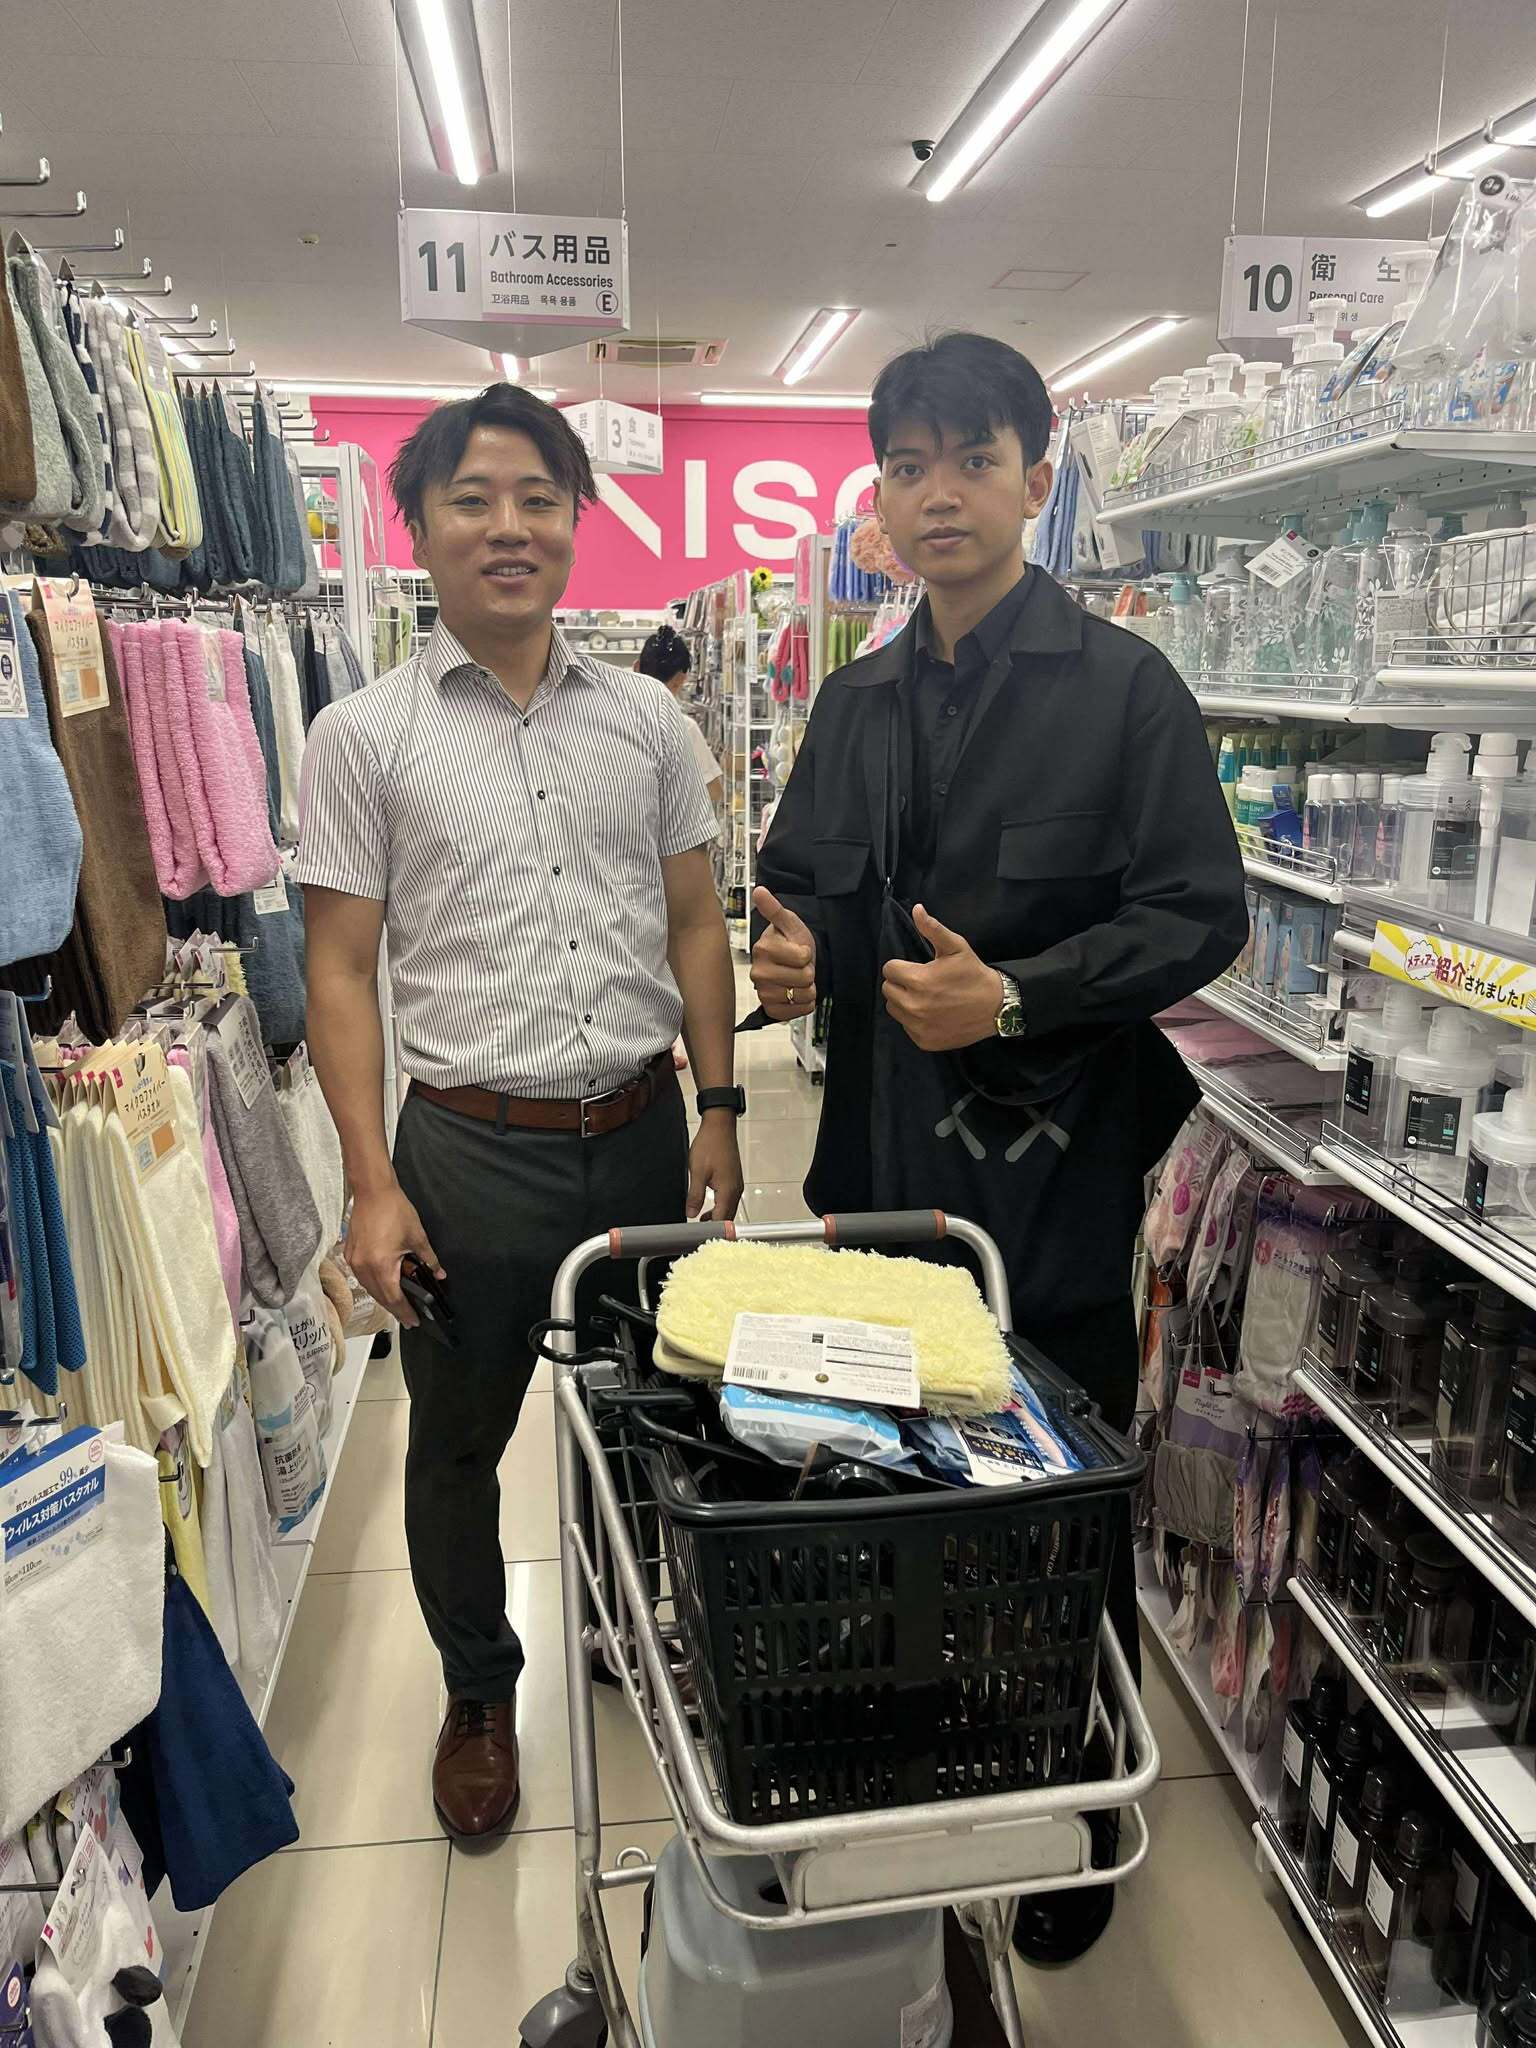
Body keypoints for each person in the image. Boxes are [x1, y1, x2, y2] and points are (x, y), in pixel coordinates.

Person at [750, 330, 1247, 1961]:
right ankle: (927, 1751)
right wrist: (791, 957)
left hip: (1053, 1179)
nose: (939, 494)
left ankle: (1084, 1806)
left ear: (1037, 480)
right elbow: (806, 893)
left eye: (973, 460)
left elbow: (1200, 912)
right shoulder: (855, 703)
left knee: (1062, 1494)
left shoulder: (1124, 693)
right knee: (898, 1473)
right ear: (879, 498)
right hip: (881, 1173)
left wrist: (1019, 993)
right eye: (908, 466)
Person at [295, 383, 745, 1840]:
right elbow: (339, 969)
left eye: (539, 497)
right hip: (468, 1153)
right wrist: (371, 1181)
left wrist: (720, 1107)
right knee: (454, 1443)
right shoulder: (362, 736)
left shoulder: (651, 722)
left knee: (647, 1411)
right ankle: (480, 1693)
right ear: (418, 526)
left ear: (576, 520)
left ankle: (622, 1616)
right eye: (473, 499)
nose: (509, 526)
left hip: (641, 1135)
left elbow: (697, 922)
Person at [637, 622, 722, 810]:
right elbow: (714, 790)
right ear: (680, 680)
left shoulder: (610, 717)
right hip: (668, 824)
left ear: (637, 667)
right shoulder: (682, 726)